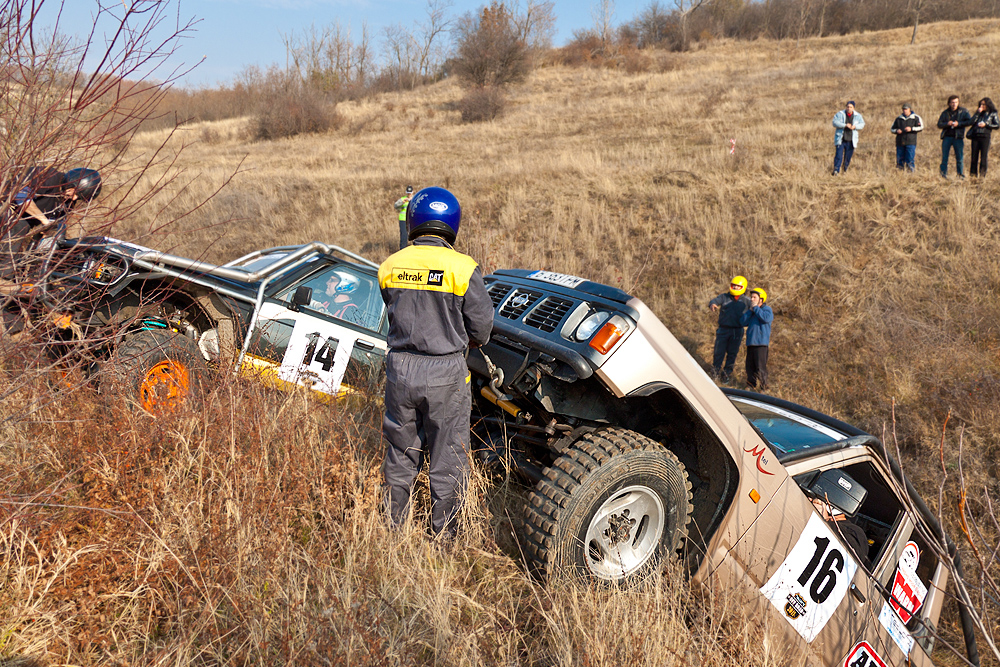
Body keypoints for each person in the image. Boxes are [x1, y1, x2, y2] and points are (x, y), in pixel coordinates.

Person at [378, 186, 494, 538]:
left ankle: (392, 530)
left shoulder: (391, 265)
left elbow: (392, 309)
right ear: (451, 224)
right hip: (446, 371)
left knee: (400, 453)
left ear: (414, 221)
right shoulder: (463, 268)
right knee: (448, 457)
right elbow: (483, 326)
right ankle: (445, 537)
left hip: (400, 369)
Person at [1, 167, 102, 285]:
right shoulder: (47, 176)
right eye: (75, 193)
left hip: (23, 224)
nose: (74, 198)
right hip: (5, 207)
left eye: (79, 197)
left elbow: (53, 227)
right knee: (19, 225)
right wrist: (44, 220)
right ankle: (4, 279)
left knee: (54, 245)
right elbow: (20, 197)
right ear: (71, 182)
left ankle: (35, 281)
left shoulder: (68, 202)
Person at [708, 276, 749, 383]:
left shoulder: (746, 301)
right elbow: (714, 300)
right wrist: (712, 304)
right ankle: (715, 373)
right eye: (733, 285)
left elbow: (756, 307)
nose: (735, 287)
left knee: (732, 354)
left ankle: (726, 375)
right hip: (723, 329)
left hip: (737, 331)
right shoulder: (724, 297)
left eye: (738, 286)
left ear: (743, 287)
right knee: (718, 352)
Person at [740, 287, 773, 391]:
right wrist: (750, 311)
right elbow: (742, 322)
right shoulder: (752, 311)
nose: (752, 299)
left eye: (754, 297)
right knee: (749, 366)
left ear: (761, 299)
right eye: (751, 297)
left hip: (761, 344)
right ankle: (751, 384)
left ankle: (764, 386)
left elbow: (766, 318)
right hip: (751, 343)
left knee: (760, 366)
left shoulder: (766, 309)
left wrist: (756, 309)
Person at [937, 95, 972, 178]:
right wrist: (947, 124)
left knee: (959, 157)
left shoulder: (963, 112)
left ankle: (960, 174)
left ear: (958, 102)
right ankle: (943, 174)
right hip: (947, 137)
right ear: (949, 103)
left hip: (958, 137)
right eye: (952, 102)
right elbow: (939, 124)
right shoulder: (945, 113)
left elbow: (969, 121)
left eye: (956, 102)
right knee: (944, 157)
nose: (954, 104)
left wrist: (959, 124)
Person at [967, 97, 999, 178]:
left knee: (983, 157)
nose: (982, 106)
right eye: (981, 104)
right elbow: (971, 122)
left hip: (985, 137)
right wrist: (977, 113)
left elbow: (997, 125)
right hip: (975, 136)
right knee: (974, 157)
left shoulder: (993, 113)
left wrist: (986, 125)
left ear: (988, 104)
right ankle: (973, 176)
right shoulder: (978, 113)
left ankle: (982, 176)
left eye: (984, 104)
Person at [832, 101, 865, 175]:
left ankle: (845, 170)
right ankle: (836, 170)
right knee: (838, 155)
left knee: (848, 156)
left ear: (853, 108)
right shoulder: (840, 114)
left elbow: (862, 124)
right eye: (848, 107)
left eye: (850, 107)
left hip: (851, 140)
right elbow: (834, 122)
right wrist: (844, 125)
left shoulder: (858, 116)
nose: (849, 108)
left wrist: (855, 127)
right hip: (841, 139)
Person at [889, 103, 923, 172]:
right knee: (899, 159)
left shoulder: (916, 118)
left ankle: (910, 173)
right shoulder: (898, 118)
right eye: (903, 109)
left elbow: (921, 127)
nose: (905, 111)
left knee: (910, 159)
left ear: (910, 109)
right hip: (900, 142)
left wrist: (911, 129)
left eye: (906, 109)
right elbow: (892, 129)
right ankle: (900, 173)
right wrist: (897, 130)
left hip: (911, 141)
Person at [393, 185, 414, 250]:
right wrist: (402, 202)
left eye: (410, 192)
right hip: (403, 220)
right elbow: (396, 206)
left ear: (412, 192)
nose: (409, 194)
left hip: (412, 220)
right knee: (404, 236)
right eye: (408, 192)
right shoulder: (403, 199)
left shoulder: (415, 199)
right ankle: (402, 249)